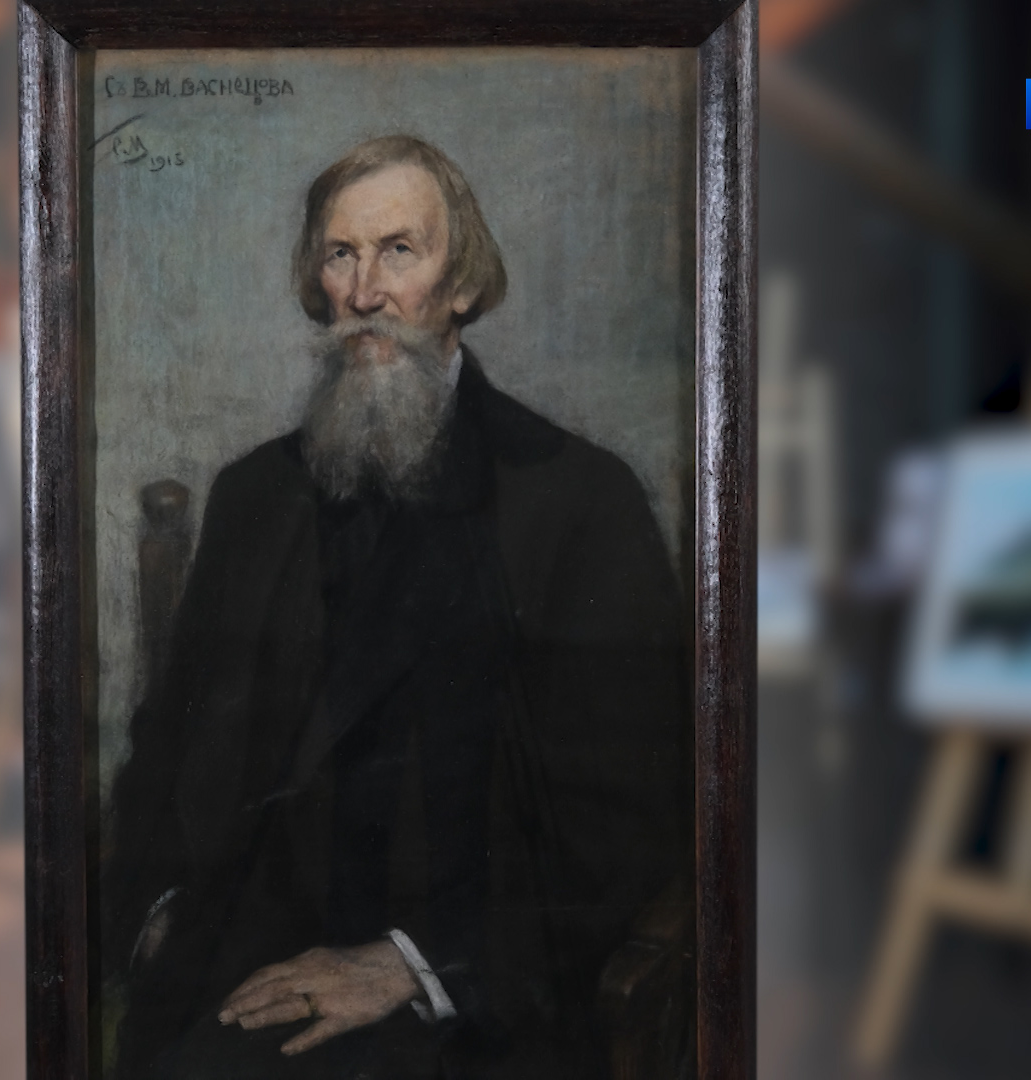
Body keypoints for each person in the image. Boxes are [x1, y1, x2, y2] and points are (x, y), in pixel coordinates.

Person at [105, 135, 692, 1079]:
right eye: (341, 255)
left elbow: (631, 817)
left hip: (466, 1000)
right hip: (246, 972)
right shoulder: (256, 493)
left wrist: (415, 965)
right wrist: (156, 919)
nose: (365, 291)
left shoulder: (578, 498)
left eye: (398, 252)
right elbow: (169, 744)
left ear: (462, 284)